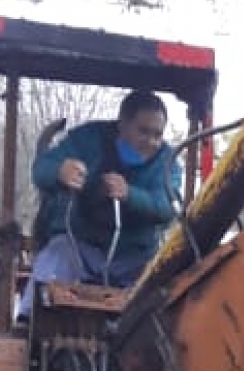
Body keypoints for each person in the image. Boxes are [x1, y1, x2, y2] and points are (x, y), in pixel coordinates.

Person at [26, 90, 182, 301]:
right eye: (143, 132)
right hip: (81, 249)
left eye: (158, 135)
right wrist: (60, 171)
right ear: (122, 124)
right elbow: (41, 169)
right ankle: (29, 321)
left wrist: (130, 195)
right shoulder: (87, 140)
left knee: (165, 283)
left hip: (135, 259)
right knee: (56, 256)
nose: (152, 142)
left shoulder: (167, 162)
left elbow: (167, 207)